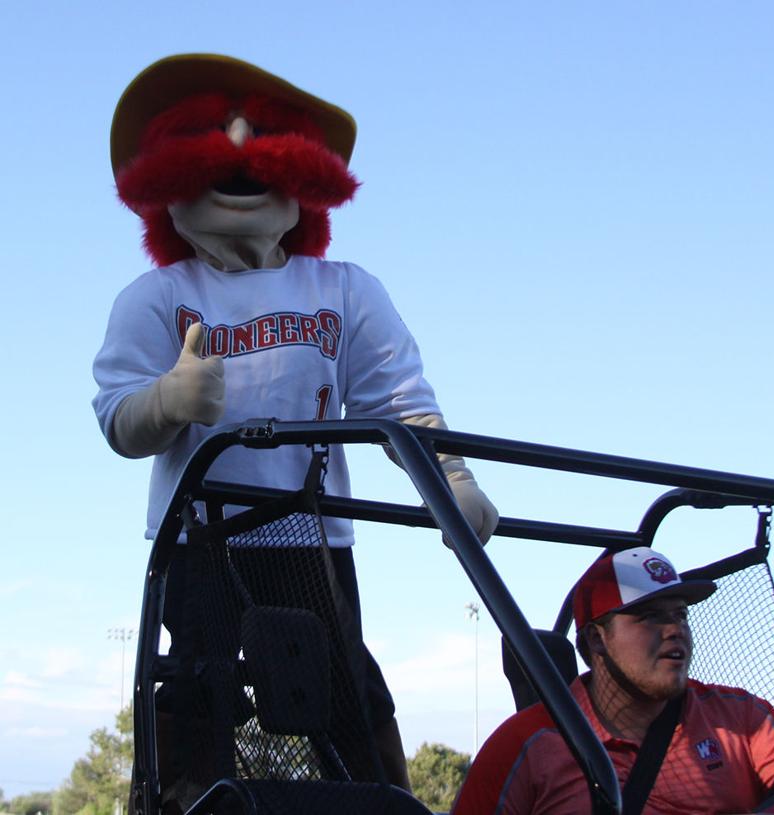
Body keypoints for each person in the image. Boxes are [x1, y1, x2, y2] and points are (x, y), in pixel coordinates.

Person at [92, 54, 497, 800]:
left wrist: (452, 477)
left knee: (348, 695)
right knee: (199, 699)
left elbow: (397, 399)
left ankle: (386, 804)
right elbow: (118, 419)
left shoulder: (342, 288)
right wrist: (167, 400)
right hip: (201, 540)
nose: (239, 151)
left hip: (312, 536)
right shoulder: (157, 296)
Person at [453, 547, 774, 814]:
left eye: (680, 615)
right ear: (596, 640)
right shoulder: (527, 744)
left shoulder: (737, 718)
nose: (676, 629)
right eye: (650, 617)